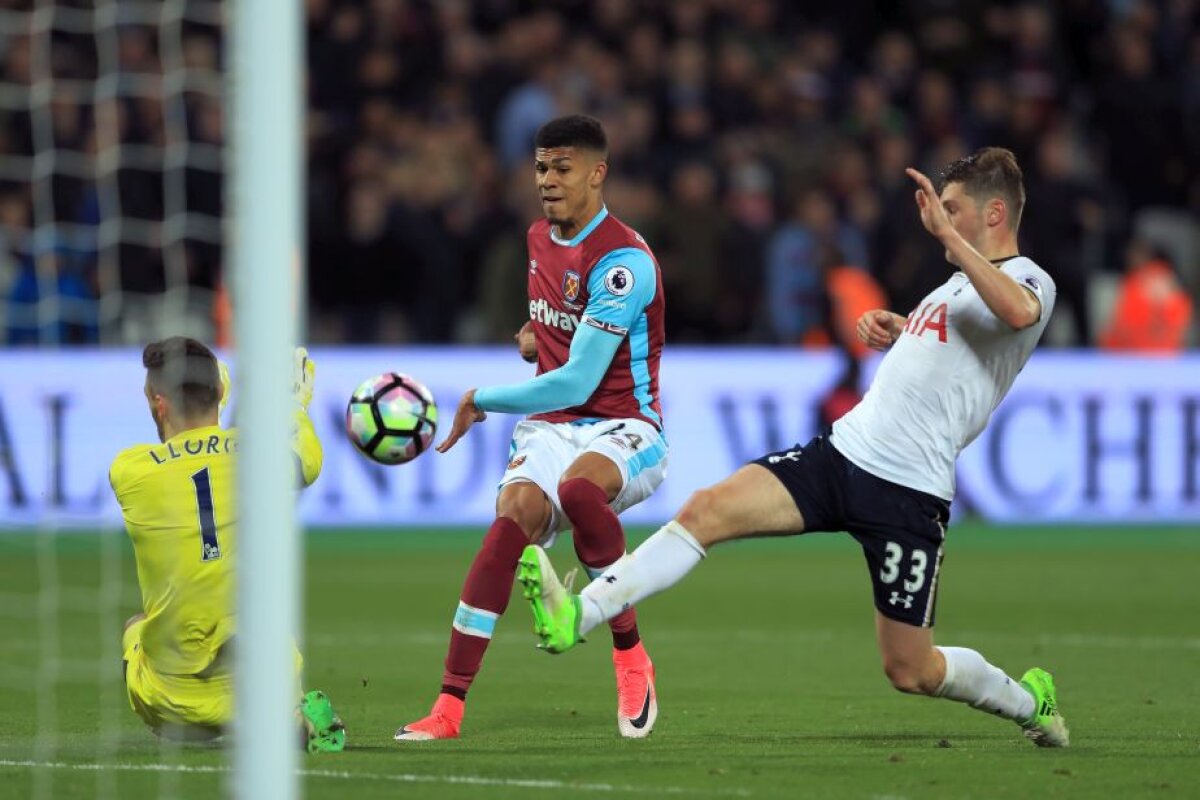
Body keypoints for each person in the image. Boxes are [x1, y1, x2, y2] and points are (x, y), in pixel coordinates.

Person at [519, 147, 1071, 748]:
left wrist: (948, 239)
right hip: (842, 455)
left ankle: (1029, 701)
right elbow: (953, 355)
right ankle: (577, 616)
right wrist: (902, 327)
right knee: (706, 510)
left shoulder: (1028, 279)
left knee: (911, 669)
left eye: (953, 208)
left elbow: (1018, 313)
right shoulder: (958, 284)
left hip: (908, 492)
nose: (940, 218)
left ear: (995, 213)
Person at [395, 114, 668, 741]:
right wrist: (534, 337)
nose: (547, 180)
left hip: (626, 424)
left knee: (578, 491)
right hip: (552, 427)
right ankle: (448, 708)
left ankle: (631, 657)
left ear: (597, 174)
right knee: (509, 523)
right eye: (541, 167)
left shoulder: (623, 263)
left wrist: (481, 398)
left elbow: (577, 381)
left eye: (562, 168)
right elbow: (558, 323)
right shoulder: (538, 237)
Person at [110, 337, 345, 751]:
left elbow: (187, 458)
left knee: (135, 625)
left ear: (159, 404)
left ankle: (200, 721)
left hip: (170, 703)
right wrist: (293, 406)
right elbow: (307, 462)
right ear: (220, 392)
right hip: (262, 687)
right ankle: (283, 715)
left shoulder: (129, 470)